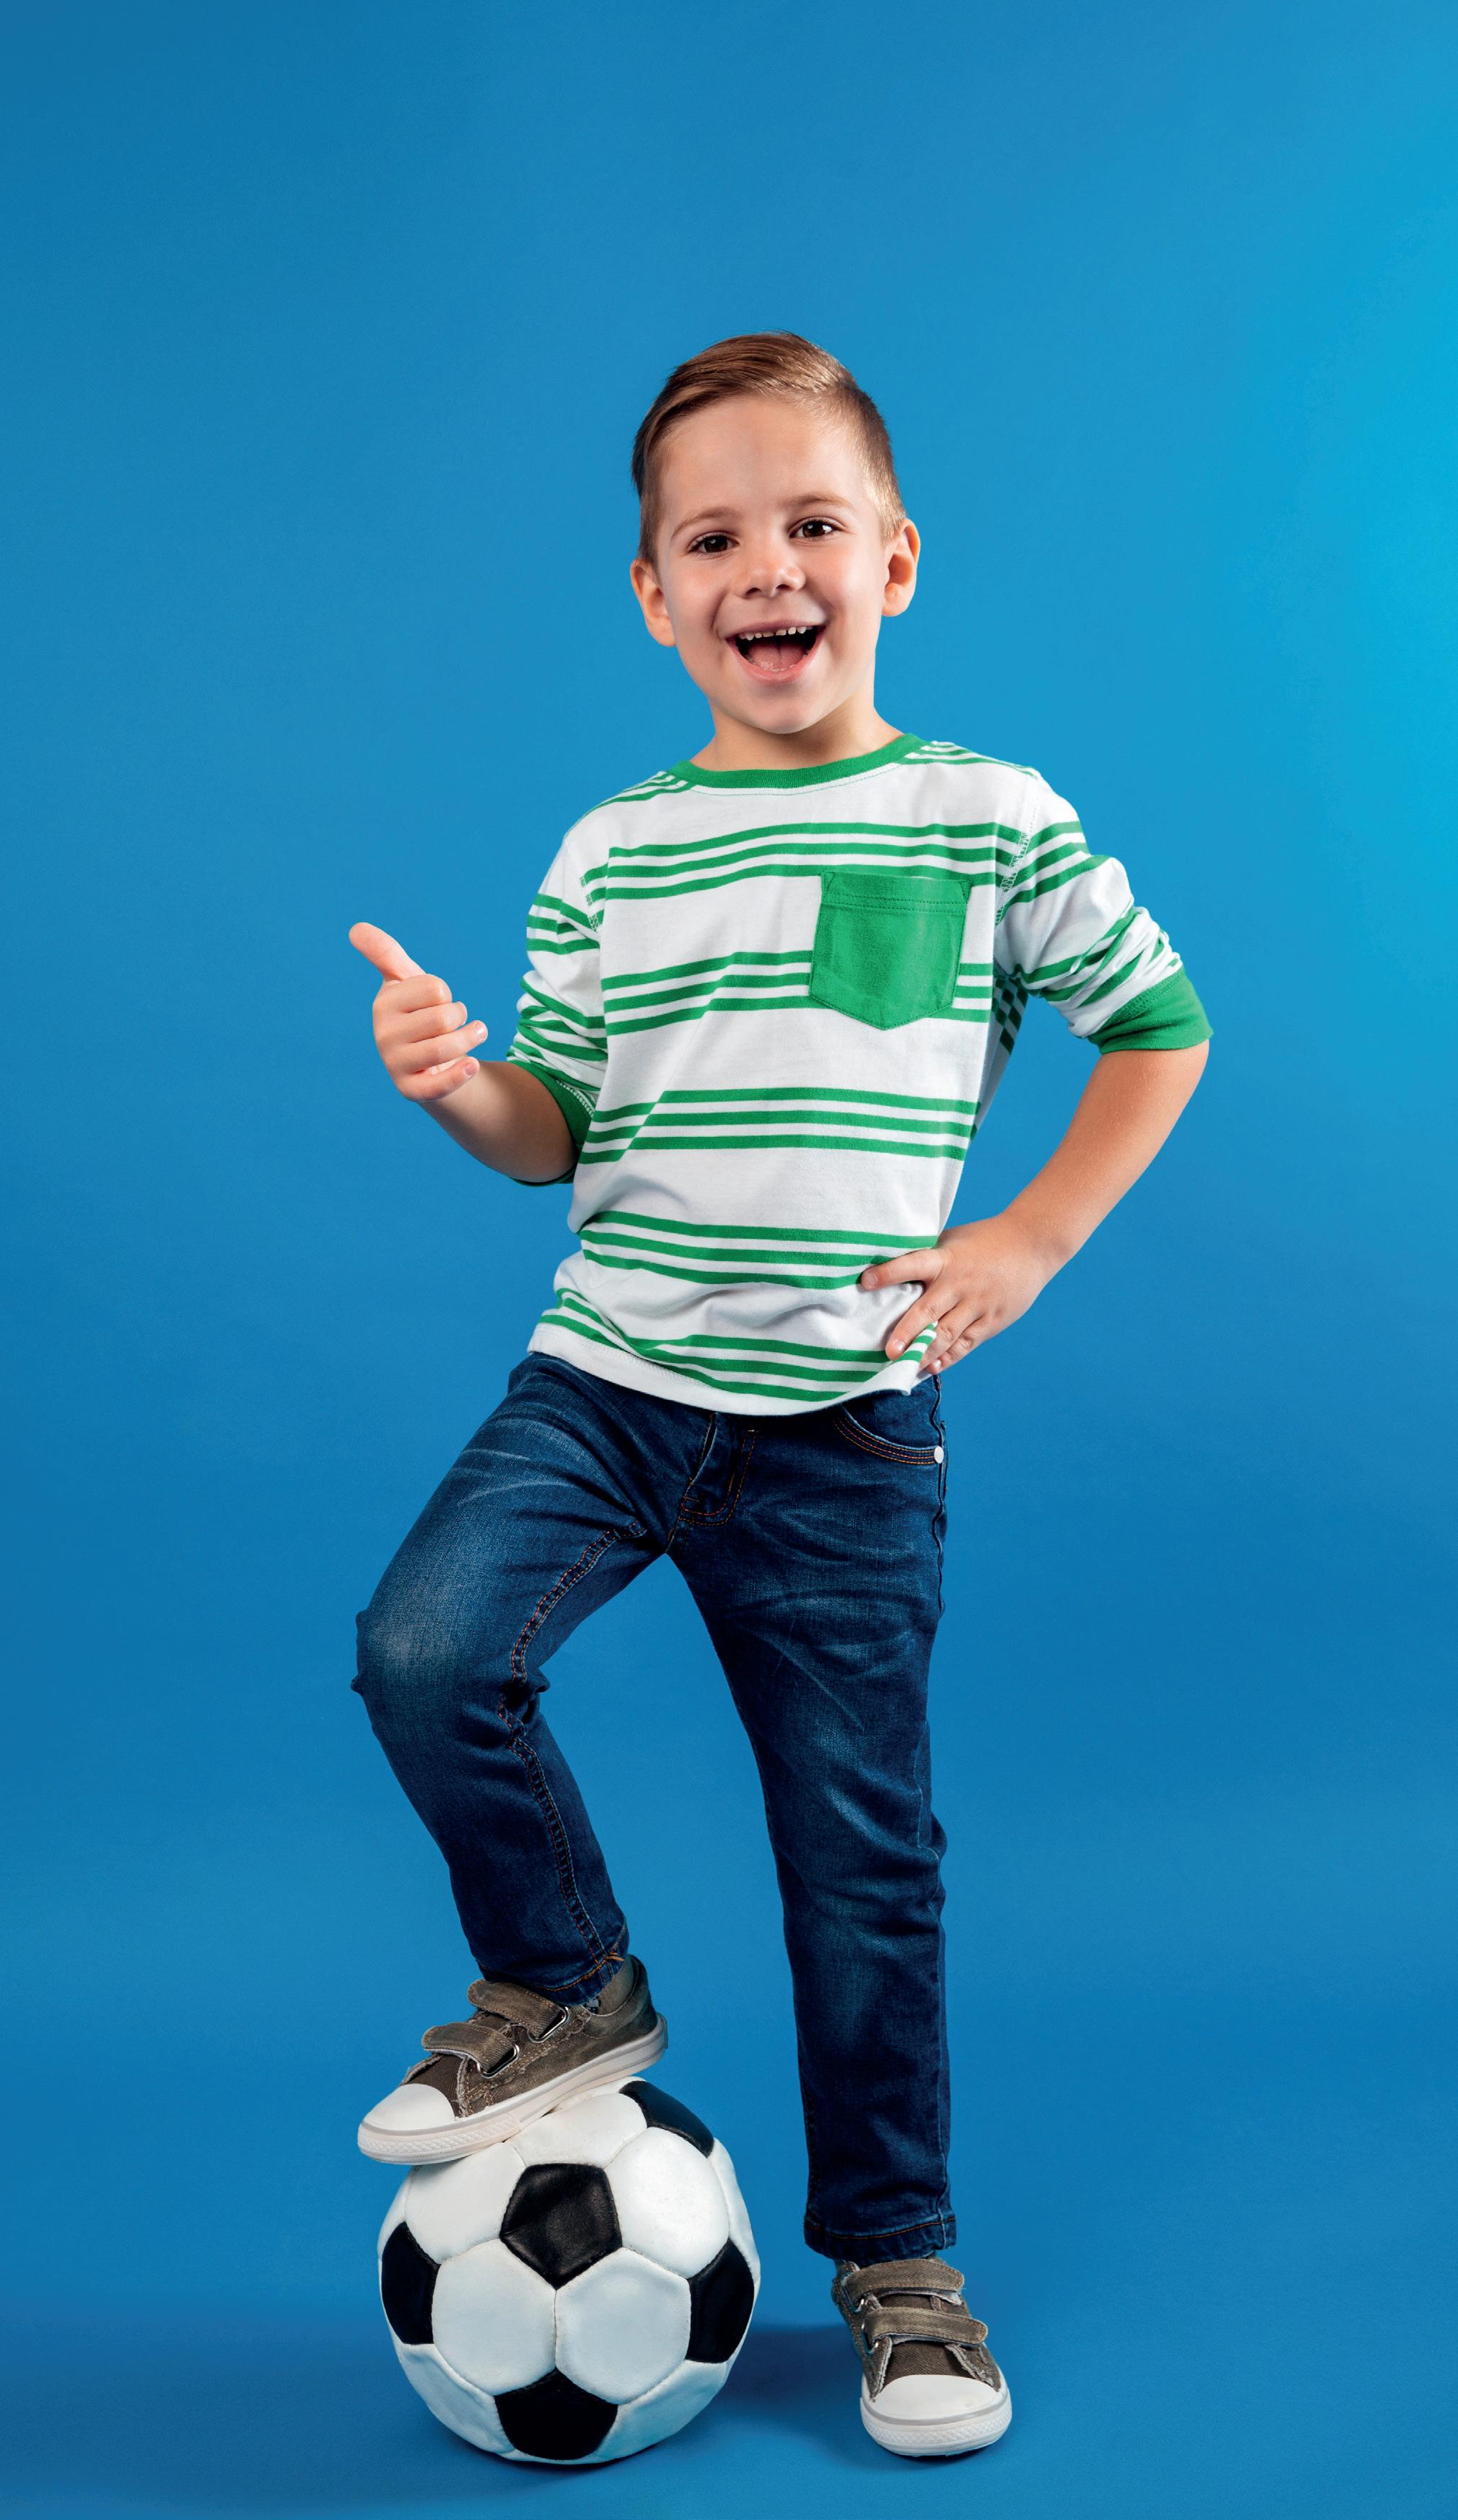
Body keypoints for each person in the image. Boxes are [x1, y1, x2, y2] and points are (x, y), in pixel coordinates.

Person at [346, 331, 1209, 2460]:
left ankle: (901, 2263)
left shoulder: (985, 819)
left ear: (893, 560)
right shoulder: (611, 852)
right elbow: (554, 1132)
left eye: (812, 524)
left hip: (843, 1433)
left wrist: (1029, 1240)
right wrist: (462, 1087)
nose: (769, 568)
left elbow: (1160, 1024)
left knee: (860, 1861)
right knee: (426, 1652)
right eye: (715, 538)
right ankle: (567, 1981)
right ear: (656, 596)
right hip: (611, 1378)